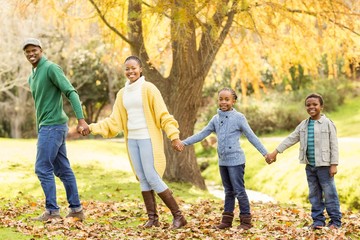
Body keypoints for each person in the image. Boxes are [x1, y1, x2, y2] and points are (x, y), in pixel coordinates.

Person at [88, 55, 187, 230]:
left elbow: (163, 115)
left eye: (134, 68)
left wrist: (174, 136)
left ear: (140, 69)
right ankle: (153, 219)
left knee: (152, 176)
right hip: (132, 139)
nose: (130, 71)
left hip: (147, 138)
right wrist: (92, 128)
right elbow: (114, 121)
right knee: (142, 177)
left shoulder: (149, 89)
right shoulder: (122, 94)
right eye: (127, 68)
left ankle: (179, 216)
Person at [179, 87, 269, 230]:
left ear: (233, 101)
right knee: (228, 191)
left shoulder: (239, 118)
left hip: (236, 161)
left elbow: (251, 137)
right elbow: (202, 134)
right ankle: (226, 221)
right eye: (221, 99)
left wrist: (265, 153)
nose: (223, 102)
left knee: (239, 190)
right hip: (223, 161)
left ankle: (246, 221)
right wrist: (184, 142)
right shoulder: (215, 119)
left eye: (227, 99)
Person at [23, 38, 89, 221]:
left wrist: (81, 120)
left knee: (42, 168)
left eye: (33, 50)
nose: (31, 54)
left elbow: (71, 92)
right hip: (48, 127)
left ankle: (52, 212)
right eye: (27, 51)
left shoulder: (51, 68)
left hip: (53, 127)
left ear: (41, 50)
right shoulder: (32, 75)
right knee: (62, 169)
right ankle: (76, 209)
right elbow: (41, 106)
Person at [267, 93, 342, 229]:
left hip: (325, 166)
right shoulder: (304, 125)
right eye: (308, 105)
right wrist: (275, 152)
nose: (311, 107)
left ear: (321, 107)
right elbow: (291, 138)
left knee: (330, 194)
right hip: (310, 166)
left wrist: (334, 165)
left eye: (315, 104)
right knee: (314, 195)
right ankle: (318, 222)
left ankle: (335, 222)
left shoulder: (328, 124)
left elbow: (334, 145)